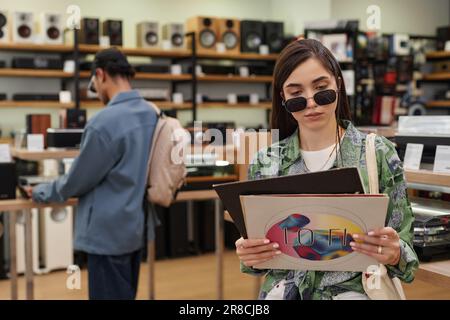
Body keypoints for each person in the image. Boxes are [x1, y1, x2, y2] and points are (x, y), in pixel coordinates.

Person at [235, 39, 419, 300]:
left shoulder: (378, 153)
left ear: (339, 84)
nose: (310, 102)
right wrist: (250, 254)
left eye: (321, 89)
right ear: (283, 98)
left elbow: (407, 255)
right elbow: (257, 260)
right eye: (296, 93)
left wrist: (395, 252)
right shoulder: (267, 162)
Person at [27, 48, 158, 299]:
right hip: (136, 228)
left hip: (107, 234)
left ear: (100, 75)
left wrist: (42, 191)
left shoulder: (104, 122)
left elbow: (76, 181)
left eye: (94, 84)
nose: (96, 91)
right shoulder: (151, 113)